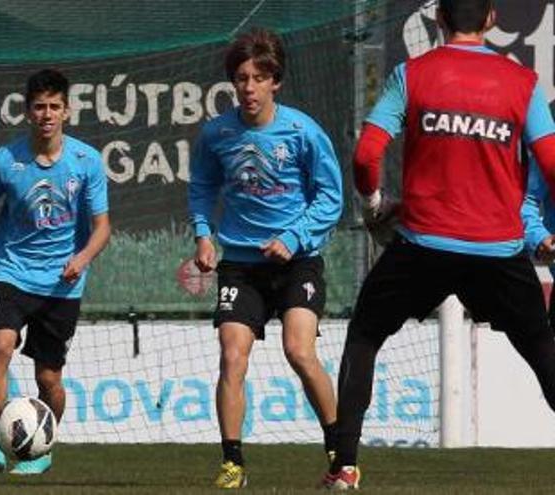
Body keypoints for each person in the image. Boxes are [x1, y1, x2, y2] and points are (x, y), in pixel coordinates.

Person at [327, 0, 555, 489]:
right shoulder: (523, 84)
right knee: (542, 347)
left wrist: (373, 204)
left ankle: (344, 467)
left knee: (365, 336)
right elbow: (552, 164)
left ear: (440, 20)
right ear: (491, 19)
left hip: (424, 244)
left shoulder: (412, 75)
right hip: (498, 248)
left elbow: (367, 154)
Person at [188, 28, 343, 489]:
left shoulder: (303, 131)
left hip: (297, 261)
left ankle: (340, 449)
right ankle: (232, 462)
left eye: (258, 78)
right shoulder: (217, 133)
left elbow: (331, 197)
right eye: (241, 78)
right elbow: (201, 189)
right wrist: (203, 236)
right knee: (232, 357)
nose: (248, 87)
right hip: (239, 264)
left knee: (299, 350)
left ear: (275, 81)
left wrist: (294, 237)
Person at [0, 68, 110, 476]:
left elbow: (102, 227)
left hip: (62, 284)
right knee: (1, 347)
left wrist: (81, 260)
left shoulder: (86, 161)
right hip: (10, 271)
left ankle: (43, 447)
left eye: (54, 106)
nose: (47, 114)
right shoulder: (4, 161)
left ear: (67, 111)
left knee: (49, 379)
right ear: (27, 112)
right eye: (39, 106)